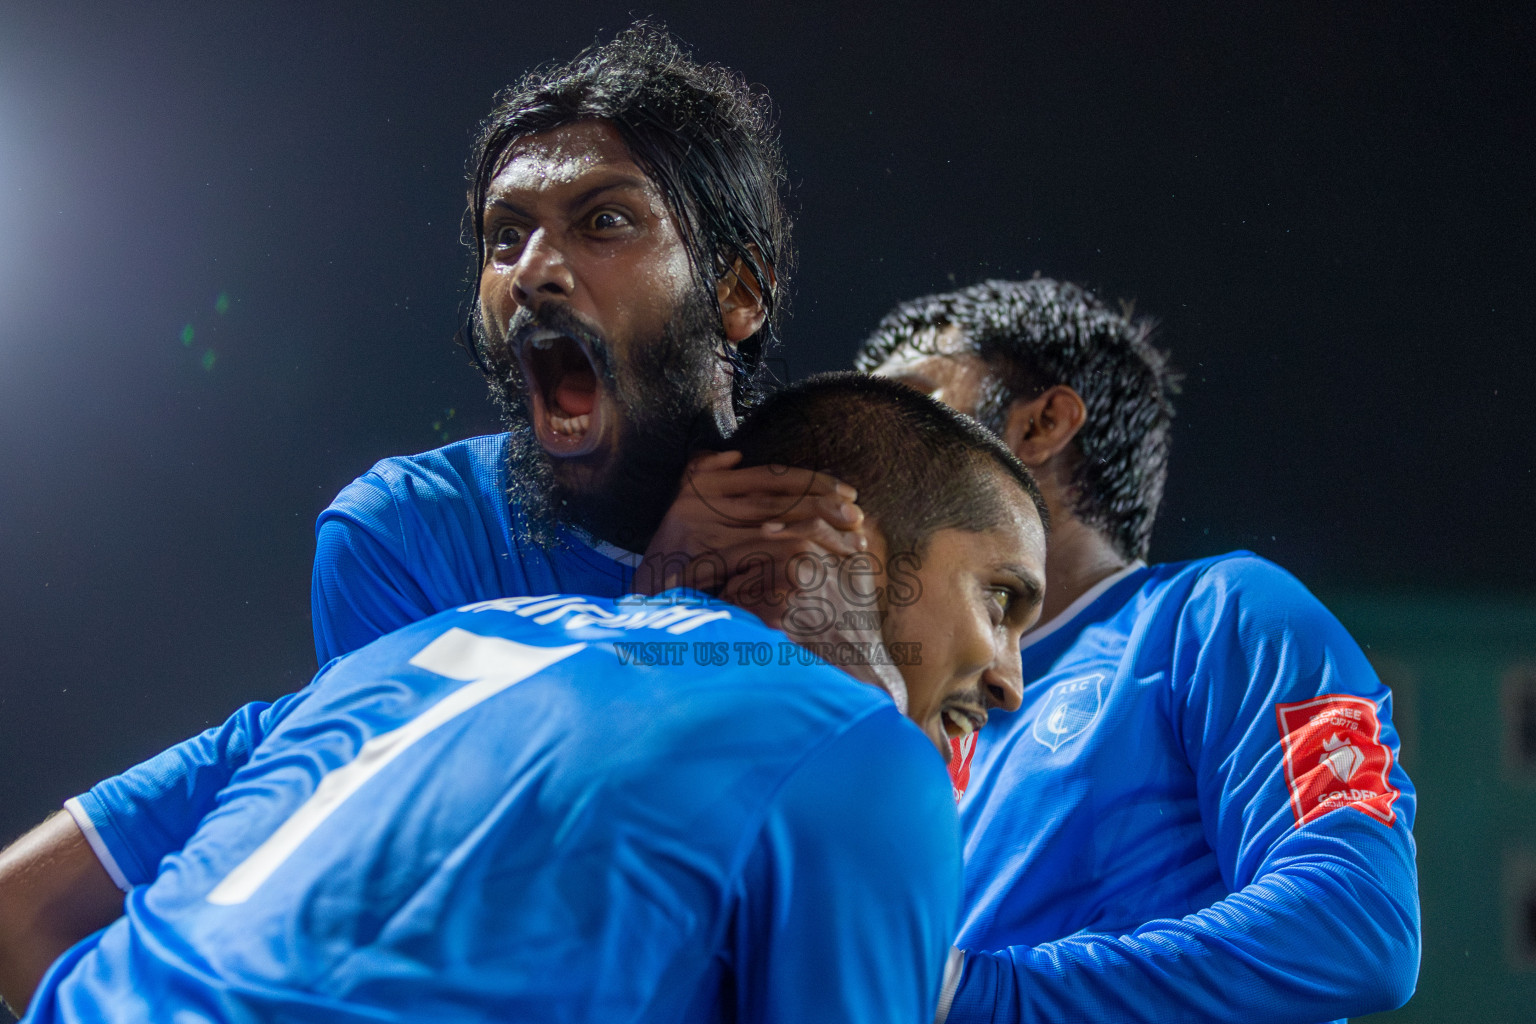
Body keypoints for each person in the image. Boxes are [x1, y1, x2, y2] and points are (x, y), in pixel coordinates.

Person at [1, 23, 888, 960]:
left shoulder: (852, 523)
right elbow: (488, 903)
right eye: (505, 237)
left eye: (605, 222)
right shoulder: (404, 532)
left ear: (737, 292)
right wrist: (668, 603)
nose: (534, 272)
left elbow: (872, 873)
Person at [0, 375, 1049, 1023]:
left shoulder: (429, 641)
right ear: (850, 537)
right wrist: (864, 713)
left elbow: (19, 899)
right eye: (1000, 598)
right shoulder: (861, 758)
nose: (1009, 672)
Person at [859, 278, 1420, 1023]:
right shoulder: (900, 718)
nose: (862, 451)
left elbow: (1357, 922)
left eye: (911, 401)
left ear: (1042, 424)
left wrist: (988, 995)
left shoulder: (1218, 614)